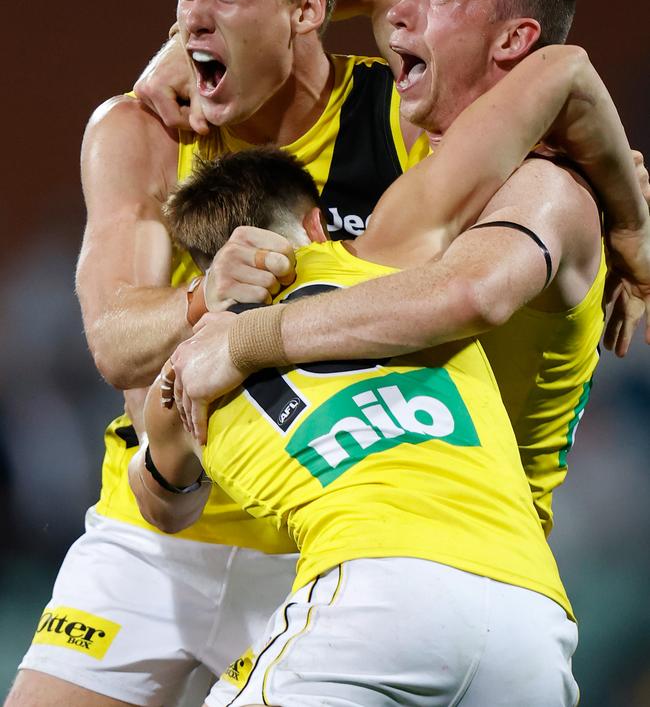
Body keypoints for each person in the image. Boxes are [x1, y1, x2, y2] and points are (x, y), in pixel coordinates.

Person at [7, 0, 429, 707]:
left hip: (324, 542)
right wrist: (206, 297)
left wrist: (623, 202)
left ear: (312, 7)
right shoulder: (145, 130)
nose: (192, 20)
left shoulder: (398, 113)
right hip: (155, 537)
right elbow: (116, 343)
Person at [132, 46, 631, 705]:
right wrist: (636, 222)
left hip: (371, 599)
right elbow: (564, 69)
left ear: (202, 268)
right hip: (531, 620)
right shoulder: (401, 257)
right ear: (317, 222)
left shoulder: (190, 371)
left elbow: (163, 502)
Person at [167, 0, 650, 541]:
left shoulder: (544, 189)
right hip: (364, 526)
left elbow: (466, 292)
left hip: (462, 541)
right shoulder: (431, 185)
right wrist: (182, 45)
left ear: (513, 43)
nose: (398, 10)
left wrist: (241, 337)